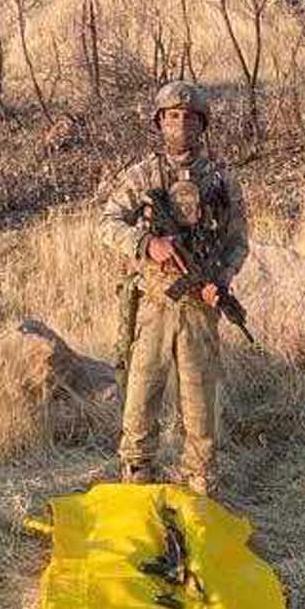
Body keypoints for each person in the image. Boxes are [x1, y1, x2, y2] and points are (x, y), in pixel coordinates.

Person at [97, 80, 249, 496]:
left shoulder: (220, 180)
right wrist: (148, 244)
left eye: (188, 117)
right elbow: (107, 224)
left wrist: (221, 279)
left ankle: (199, 483)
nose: (180, 124)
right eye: (172, 116)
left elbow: (238, 240)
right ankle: (137, 478)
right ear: (160, 122)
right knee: (141, 399)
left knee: (200, 407)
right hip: (155, 303)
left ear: (201, 124)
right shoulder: (142, 175)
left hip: (200, 307)